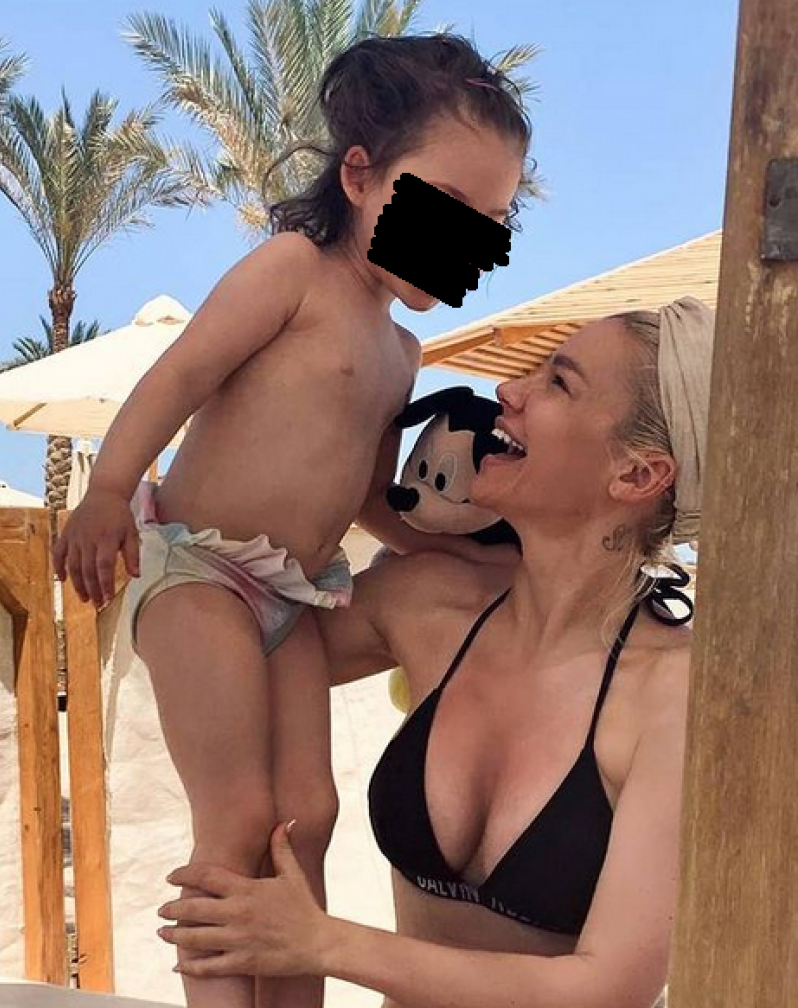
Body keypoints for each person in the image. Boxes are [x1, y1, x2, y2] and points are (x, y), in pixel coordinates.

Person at [53, 33, 532, 1008]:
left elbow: (367, 496)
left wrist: (477, 558)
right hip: (198, 571)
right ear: (359, 176)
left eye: (493, 220)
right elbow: (178, 376)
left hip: (294, 595)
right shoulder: (290, 272)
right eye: (449, 205)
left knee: (309, 815)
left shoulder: (402, 353)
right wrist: (107, 491)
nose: (472, 237)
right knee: (236, 816)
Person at [155, 297, 714, 1008]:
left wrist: (322, 943)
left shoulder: (675, 693)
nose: (508, 392)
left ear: (637, 476)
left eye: (559, 383)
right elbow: (238, 638)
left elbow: (606, 987)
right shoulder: (425, 603)